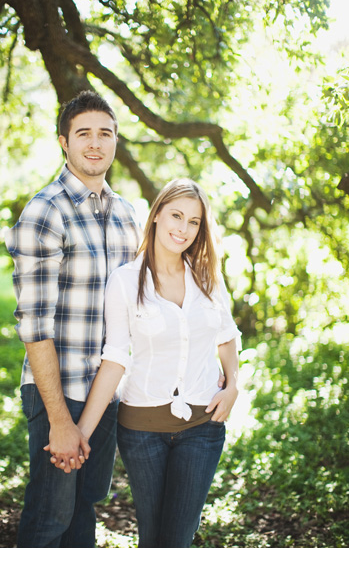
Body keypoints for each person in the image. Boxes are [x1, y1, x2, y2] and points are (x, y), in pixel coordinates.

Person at [54, 178, 242, 548]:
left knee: (177, 539)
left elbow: (227, 333)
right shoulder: (124, 282)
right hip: (142, 432)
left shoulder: (207, 276)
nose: (183, 229)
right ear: (156, 215)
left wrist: (234, 383)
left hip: (203, 427)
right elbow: (115, 359)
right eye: (176, 215)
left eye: (194, 222)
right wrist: (82, 434)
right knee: (152, 538)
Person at [6, 90, 142, 547]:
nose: (95, 143)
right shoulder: (45, 212)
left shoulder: (128, 216)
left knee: (84, 513)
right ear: (64, 141)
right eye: (84, 133)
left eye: (105, 133)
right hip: (56, 394)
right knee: (50, 518)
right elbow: (34, 327)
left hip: (106, 396)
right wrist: (59, 420)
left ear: (115, 142)